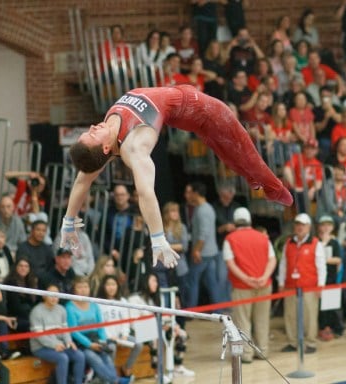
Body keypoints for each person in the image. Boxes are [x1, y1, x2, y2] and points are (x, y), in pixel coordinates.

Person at [61, 85, 292, 267]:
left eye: (87, 132)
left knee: (228, 151)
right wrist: (158, 238)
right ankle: (276, 189)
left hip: (182, 100)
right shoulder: (135, 146)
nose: (92, 127)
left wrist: (68, 222)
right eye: (91, 135)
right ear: (104, 149)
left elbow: (83, 179)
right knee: (240, 150)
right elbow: (145, 194)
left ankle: (253, 178)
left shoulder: (108, 136)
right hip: (202, 111)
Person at [223, 208, 276, 361]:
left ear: (235, 222)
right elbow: (272, 259)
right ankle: (262, 351)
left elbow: (230, 263)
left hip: (242, 286)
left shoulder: (230, 239)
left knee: (242, 320)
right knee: (262, 319)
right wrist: (264, 277)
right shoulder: (263, 237)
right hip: (264, 284)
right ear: (249, 221)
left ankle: (246, 354)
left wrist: (247, 279)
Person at [66, 276, 130, 384]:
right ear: (74, 289)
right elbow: (74, 331)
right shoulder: (70, 307)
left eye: (86, 287)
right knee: (92, 357)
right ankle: (116, 380)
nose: (83, 290)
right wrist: (89, 344)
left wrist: (103, 341)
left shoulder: (93, 304)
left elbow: (100, 325)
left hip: (96, 338)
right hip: (81, 342)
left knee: (106, 356)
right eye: (80, 287)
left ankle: (111, 381)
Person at [278, 213, 326, 354]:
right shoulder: (289, 242)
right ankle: (293, 342)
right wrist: (281, 282)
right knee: (290, 315)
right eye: (297, 224)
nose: (300, 227)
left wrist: (320, 286)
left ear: (309, 227)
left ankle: (310, 342)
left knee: (310, 315)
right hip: (291, 285)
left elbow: (321, 266)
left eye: (303, 225)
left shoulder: (316, 243)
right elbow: (283, 264)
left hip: (309, 285)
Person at [30, 284, 85, 384]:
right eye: (51, 294)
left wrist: (69, 342)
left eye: (56, 294)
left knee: (79, 355)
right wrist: (54, 345)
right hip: (40, 347)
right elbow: (39, 336)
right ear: (44, 296)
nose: (54, 297)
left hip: (60, 345)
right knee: (62, 358)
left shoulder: (61, 310)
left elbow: (65, 329)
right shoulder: (36, 311)